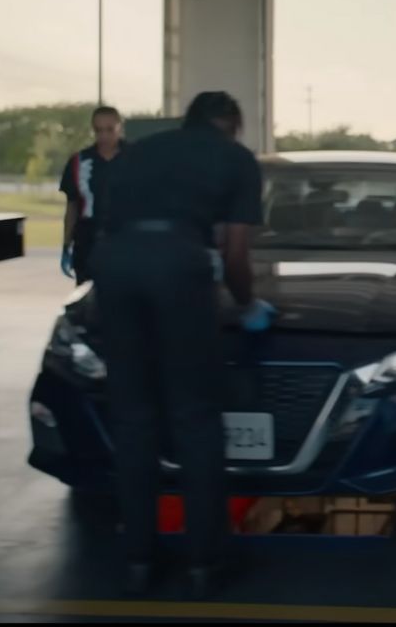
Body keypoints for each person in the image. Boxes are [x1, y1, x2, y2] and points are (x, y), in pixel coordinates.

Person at [90, 91, 274, 600]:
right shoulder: (235, 159)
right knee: (194, 419)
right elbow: (235, 252)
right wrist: (247, 304)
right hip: (177, 265)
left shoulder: (137, 153)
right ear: (232, 124)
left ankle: (138, 561)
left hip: (115, 264)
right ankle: (204, 564)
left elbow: (106, 224)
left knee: (133, 419)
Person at [60, 105, 126, 285]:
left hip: (126, 242)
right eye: (98, 130)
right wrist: (66, 244)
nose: (104, 136)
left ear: (120, 127)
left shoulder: (137, 157)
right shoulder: (79, 161)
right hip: (87, 242)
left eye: (109, 130)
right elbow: (72, 206)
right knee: (88, 303)